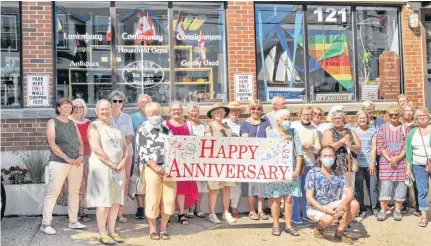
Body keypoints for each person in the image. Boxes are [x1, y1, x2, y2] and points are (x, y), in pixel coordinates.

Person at [41, 98, 86, 235]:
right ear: (58, 108)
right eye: (64, 107)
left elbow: (80, 141)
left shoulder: (72, 123)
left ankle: (73, 221)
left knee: (74, 192)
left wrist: (81, 156)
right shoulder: (52, 122)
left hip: (76, 162)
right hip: (59, 162)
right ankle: (45, 224)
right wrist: (66, 157)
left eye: (69, 107)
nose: (67, 109)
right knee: (53, 192)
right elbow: (52, 143)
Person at [87, 99, 127, 244]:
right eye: (102, 109)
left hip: (118, 169)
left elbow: (125, 147)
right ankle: (102, 232)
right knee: (104, 202)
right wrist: (111, 163)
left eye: (107, 109)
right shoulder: (94, 126)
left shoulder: (115, 127)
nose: (105, 111)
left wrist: (123, 161)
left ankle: (112, 231)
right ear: (97, 111)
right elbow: (97, 149)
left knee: (115, 201)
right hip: (102, 169)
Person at [135, 102, 176, 240]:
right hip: (152, 168)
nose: (154, 116)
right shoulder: (142, 129)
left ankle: (163, 228)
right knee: (153, 198)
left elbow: (174, 147)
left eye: (157, 113)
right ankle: (153, 229)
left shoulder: (167, 129)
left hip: (168, 168)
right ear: (146, 115)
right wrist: (155, 166)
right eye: (151, 113)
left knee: (169, 198)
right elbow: (141, 151)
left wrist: (168, 165)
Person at [305, 146, 359, 243]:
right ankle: (319, 228)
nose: (328, 158)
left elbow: (350, 193)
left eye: (330, 156)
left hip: (333, 204)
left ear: (334, 158)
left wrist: (343, 203)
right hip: (316, 207)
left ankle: (339, 233)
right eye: (325, 156)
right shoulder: (312, 173)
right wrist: (325, 210)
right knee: (328, 220)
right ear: (320, 158)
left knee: (354, 204)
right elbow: (309, 197)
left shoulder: (338, 173)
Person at [265, 109, 303, 236]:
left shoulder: (294, 131)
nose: (288, 121)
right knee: (275, 198)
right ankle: (276, 225)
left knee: (289, 199)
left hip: (290, 170)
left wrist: (297, 169)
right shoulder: (270, 133)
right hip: (276, 170)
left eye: (289, 118)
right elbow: (268, 151)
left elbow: (299, 152)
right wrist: (282, 140)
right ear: (278, 121)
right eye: (285, 119)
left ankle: (288, 225)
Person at [56, 99, 92, 222]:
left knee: (82, 185)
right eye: (75, 106)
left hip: (84, 157)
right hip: (68, 158)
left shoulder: (89, 124)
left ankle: (81, 211)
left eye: (80, 107)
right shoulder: (67, 122)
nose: (78, 109)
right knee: (69, 185)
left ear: (84, 108)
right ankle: (72, 212)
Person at [165, 102, 198, 225]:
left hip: (183, 162)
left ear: (182, 111)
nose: (176, 112)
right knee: (169, 188)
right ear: (169, 112)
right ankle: (168, 213)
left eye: (178, 109)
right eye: (173, 110)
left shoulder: (187, 125)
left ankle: (181, 214)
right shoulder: (165, 125)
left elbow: (192, 143)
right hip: (170, 162)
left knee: (182, 189)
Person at [204, 103, 237, 224]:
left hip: (227, 162)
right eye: (216, 111)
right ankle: (212, 213)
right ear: (212, 113)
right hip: (214, 162)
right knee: (214, 188)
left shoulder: (228, 128)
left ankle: (226, 212)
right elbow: (208, 143)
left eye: (222, 111)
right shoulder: (209, 127)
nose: (219, 113)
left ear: (224, 113)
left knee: (227, 187)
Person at [376, 105, 409, 222]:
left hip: (402, 161)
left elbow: (407, 145)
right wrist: (390, 158)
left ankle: (397, 210)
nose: (393, 116)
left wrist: (399, 157)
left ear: (400, 115)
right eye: (391, 115)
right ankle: (383, 211)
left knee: (401, 185)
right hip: (386, 161)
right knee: (386, 186)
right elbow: (380, 144)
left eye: (396, 114)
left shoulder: (405, 128)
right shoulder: (383, 128)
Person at [240, 99, 271, 221]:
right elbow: (245, 140)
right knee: (250, 185)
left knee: (261, 185)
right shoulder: (244, 124)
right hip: (250, 159)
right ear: (250, 109)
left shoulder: (266, 123)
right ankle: (252, 210)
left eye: (258, 108)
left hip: (263, 159)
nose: (256, 111)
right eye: (253, 108)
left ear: (261, 110)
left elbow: (270, 138)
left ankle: (260, 210)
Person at [108, 90, 135, 223]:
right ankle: (108, 213)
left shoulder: (127, 117)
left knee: (124, 182)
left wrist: (123, 149)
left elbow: (129, 135)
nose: (117, 103)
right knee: (109, 182)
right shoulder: (106, 116)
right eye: (115, 101)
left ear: (123, 103)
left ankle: (120, 213)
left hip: (126, 154)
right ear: (110, 102)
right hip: (109, 156)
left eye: (120, 101)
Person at [291, 106, 321, 224]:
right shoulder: (294, 126)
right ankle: (295, 215)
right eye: (304, 114)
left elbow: (318, 149)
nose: (306, 116)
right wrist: (299, 145)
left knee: (307, 190)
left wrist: (312, 146)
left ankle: (306, 213)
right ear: (300, 114)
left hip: (309, 163)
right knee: (295, 190)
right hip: (296, 162)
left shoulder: (314, 129)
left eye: (309, 114)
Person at [322, 110, 361, 189]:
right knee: (336, 190)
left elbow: (358, 147)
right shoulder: (328, 132)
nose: (337, 120)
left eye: (339, 118)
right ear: (332, 120)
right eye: (335, 118)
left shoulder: (350, 131)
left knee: (349, 190)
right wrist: (341, 142)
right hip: (334, 167)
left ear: (344, 119)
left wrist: (351, 147)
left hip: (349, 167)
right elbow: (327, 149)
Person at [406, 107, 431, 227]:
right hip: (418, 165)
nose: (422, 117)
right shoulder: (412, 132)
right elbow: (409, 151)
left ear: (429, 116)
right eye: (419, 116)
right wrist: (408, 167)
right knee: (422, 190)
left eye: (424, 115)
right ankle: (424, 215)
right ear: (416, 118)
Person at [352, 110, 378, 218]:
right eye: (360, 118)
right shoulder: (353, 131)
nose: (362, 120)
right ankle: (361, 209)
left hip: (370, 164)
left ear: (367, 119)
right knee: (358, 188)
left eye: (364, 118)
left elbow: (374, 147)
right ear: (357, 120)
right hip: (358, 164)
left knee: (373, 187)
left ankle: (375, 208)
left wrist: (372, 162)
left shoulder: (373, 130)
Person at [130, 93, 152, 220]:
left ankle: (151, 207)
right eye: (142, 102)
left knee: (151, 182)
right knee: (139, 181)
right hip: (138, 155)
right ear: (138, 105)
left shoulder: (155, 117)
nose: (145, 104)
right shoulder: (132, 118)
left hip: (153, 156)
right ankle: (140, 208)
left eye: (147, 102)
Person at [224, 101, 246, 219]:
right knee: (226, 184)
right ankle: (226, 209)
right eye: (232, 111)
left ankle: (234, 207)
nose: (235, 113)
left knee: (237, 184)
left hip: (238, 158)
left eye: (237, 111)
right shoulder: (223, 123)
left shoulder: (243, 125)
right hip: (226, 157)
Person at [185, 102, 207, 219]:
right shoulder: (186, 125)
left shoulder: (204, 125)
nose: (194, 113)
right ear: (188, 113)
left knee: (201, 184)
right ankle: (190, 207)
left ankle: (198, 208)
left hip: (202, 158)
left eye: (196, 111)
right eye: (191, 111)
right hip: (190, 158)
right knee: (191, 183)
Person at [400, 102, 419, 215]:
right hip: (402, 156)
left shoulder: (416, 125)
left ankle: (417, 206)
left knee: (415, 181)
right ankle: (405, 204)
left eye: (410, 110)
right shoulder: (400, 125)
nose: (408, 112)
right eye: (406, 110)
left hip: (414, 156)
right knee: (404, 181)